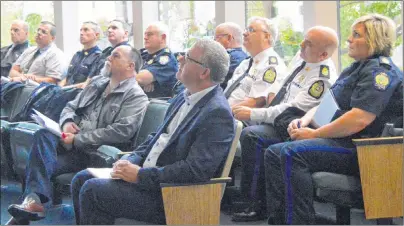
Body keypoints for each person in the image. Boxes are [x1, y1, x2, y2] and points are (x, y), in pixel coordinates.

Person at [70, 39, 235, 225]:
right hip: (148, 178)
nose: (179, 58)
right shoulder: (183, 96)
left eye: (187, 57)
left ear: (204, 72)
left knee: (92, 190)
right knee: (81, 179)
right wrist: (129, 161)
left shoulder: (217, 113)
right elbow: (154, 139)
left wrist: (140, 175)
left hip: (171, 193)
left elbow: (195, 171)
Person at [264, 14, 403, 225]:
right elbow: (328, 102)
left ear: (375, 39)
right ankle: (280, 220)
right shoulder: (355, 68)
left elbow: (359, 119)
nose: (348, 39)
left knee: (292, 152)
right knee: (274, 152)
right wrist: (304, 121)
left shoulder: (381, 72)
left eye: (356, 35)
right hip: (344, 141)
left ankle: (300, 222)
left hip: (367, 150)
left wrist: (314, 134)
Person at [6, 45, 149, 225]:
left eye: (115, 56)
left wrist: (79, 139)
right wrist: (67, 123)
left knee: (39, 163)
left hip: (94, 154)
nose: (109, 58)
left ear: (130, 66)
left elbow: (122, 131)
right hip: (71, 146)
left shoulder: (136, 96)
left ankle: (30, 206)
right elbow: (70, 107)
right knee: (43, 134)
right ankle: (34, 202)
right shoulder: (98, 83)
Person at [231, 26, 339, 222]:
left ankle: (255, 204)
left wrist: (255, 112)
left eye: (308, 44)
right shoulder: (303, 57)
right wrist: (267, 99)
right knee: (247, 130)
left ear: (323, 54)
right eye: (304, 39)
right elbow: (280, 84)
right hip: (281, 118)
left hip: (299, 125)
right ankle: (246, 197)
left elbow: (292, 108)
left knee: (253, 135)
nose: (301, 45)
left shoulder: (323, 77)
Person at [224, 16, 287, 115]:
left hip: (239, 118)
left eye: (251, 30)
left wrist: (223, 113)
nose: (244, 33)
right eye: (246, 29)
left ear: (266, 36)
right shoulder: (246, 63)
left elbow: (256, 102)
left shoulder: (271, 66)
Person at [79, 19, 131, 88]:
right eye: (108, 28)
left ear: (125, 33)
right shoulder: (106, 52)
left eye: (114, 28)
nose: (109, 30)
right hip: (92, 89)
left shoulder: (129, 53)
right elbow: (90, 78)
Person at [137, 22, 178, 98]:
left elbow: (139, 78)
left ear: (163, 37)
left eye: (149, 34)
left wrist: (142, 79)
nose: (145, 37)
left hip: (156, 104)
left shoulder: (166, 59)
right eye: (145, 34)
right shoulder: (143, 54)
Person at [58, 21, 102, 87]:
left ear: (96, 35)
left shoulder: (99, 57)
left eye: (86, 30)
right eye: (81, 30)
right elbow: (67, 78)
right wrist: (58, 88)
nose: (81, 33)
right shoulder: (77, 55)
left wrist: (66, 89)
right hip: (66, 91)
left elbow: (88, 84)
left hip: (80, 94)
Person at [214, 22, 248, 90]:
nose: (214, 42)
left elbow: (214, 85)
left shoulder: (230, 59)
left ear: (229, 38)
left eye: (216, 38)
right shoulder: (245, 57)